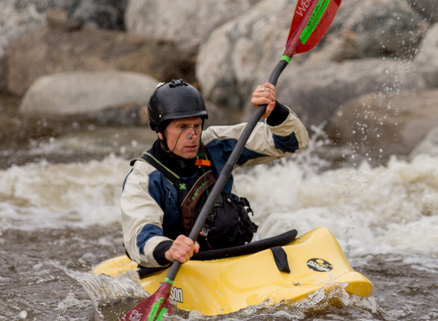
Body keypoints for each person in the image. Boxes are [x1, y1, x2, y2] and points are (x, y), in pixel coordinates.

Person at [121, 78, 309, 268]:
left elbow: (290, 142)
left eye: (196, 125)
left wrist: (275, 113)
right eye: (182, 127)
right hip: (181, 266)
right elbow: (139, 236)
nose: (192, 135)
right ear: (160, 132)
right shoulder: (144, 177)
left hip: (232, 257)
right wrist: (168, 249)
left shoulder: (216, 145)